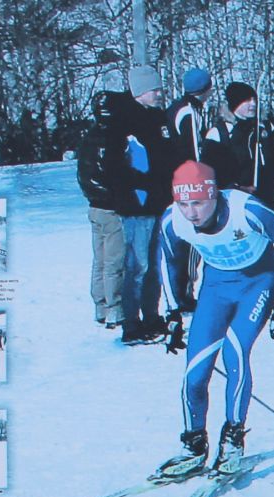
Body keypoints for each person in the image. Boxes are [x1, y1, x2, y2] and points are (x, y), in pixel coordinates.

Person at [153, 161, 274, 480]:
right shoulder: (173, 220)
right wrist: (172, 312)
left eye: (198, 203)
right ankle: (193, 444)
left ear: (213, 195)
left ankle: (233, 438)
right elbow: (166, 261)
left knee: (235, 353)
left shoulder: (246, 210)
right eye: (184, 204)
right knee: (194, 374)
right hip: (216, 287)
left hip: (258, 281)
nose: (191, 213)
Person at [115, 65, 176, 344]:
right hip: (137, 205)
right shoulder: (124, 122)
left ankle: (151, 316)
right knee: (137, 266)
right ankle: (131, 322)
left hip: (157, 202)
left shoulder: (157, 119)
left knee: (153, 264)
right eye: (154, 89)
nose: (159, 93)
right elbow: (119, 167)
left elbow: (165, 157)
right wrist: (145, 184)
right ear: (140, 91)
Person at [212, 83, 274, 211]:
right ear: (235, 103)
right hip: (235, 200)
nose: (253, 104)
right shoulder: (220, 133)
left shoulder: (265, 128)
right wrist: (236, 188)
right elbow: (213, 171)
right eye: (247, 100)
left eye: (254, 100)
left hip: (268, 197)